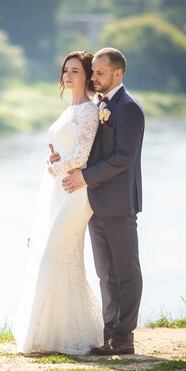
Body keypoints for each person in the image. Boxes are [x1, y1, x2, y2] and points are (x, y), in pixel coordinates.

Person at [13, 51, 104, 355]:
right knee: (56, 256)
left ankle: (69, 334)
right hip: (59, 189)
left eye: (76, 71)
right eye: (66, 70)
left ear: (87, 75)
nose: (68, 75)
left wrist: (56, 167)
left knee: (56, 253)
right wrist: (56, 159)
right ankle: (54, 334)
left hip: (76, 193)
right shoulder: (69, 109)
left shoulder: (89, 110)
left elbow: (83, 154)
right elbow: (67, 151)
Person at [57, 47, 145, 355]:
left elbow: (125, 157)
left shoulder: (129, 108)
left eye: (99, 73)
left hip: (119, 203)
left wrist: (85, 176)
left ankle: (124, 337)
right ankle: (110, 334)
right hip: (95, 203)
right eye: (92, 72)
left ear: (117, 73)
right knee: (105, 273)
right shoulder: (100, 106)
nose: (93, 77)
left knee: (126, 272)